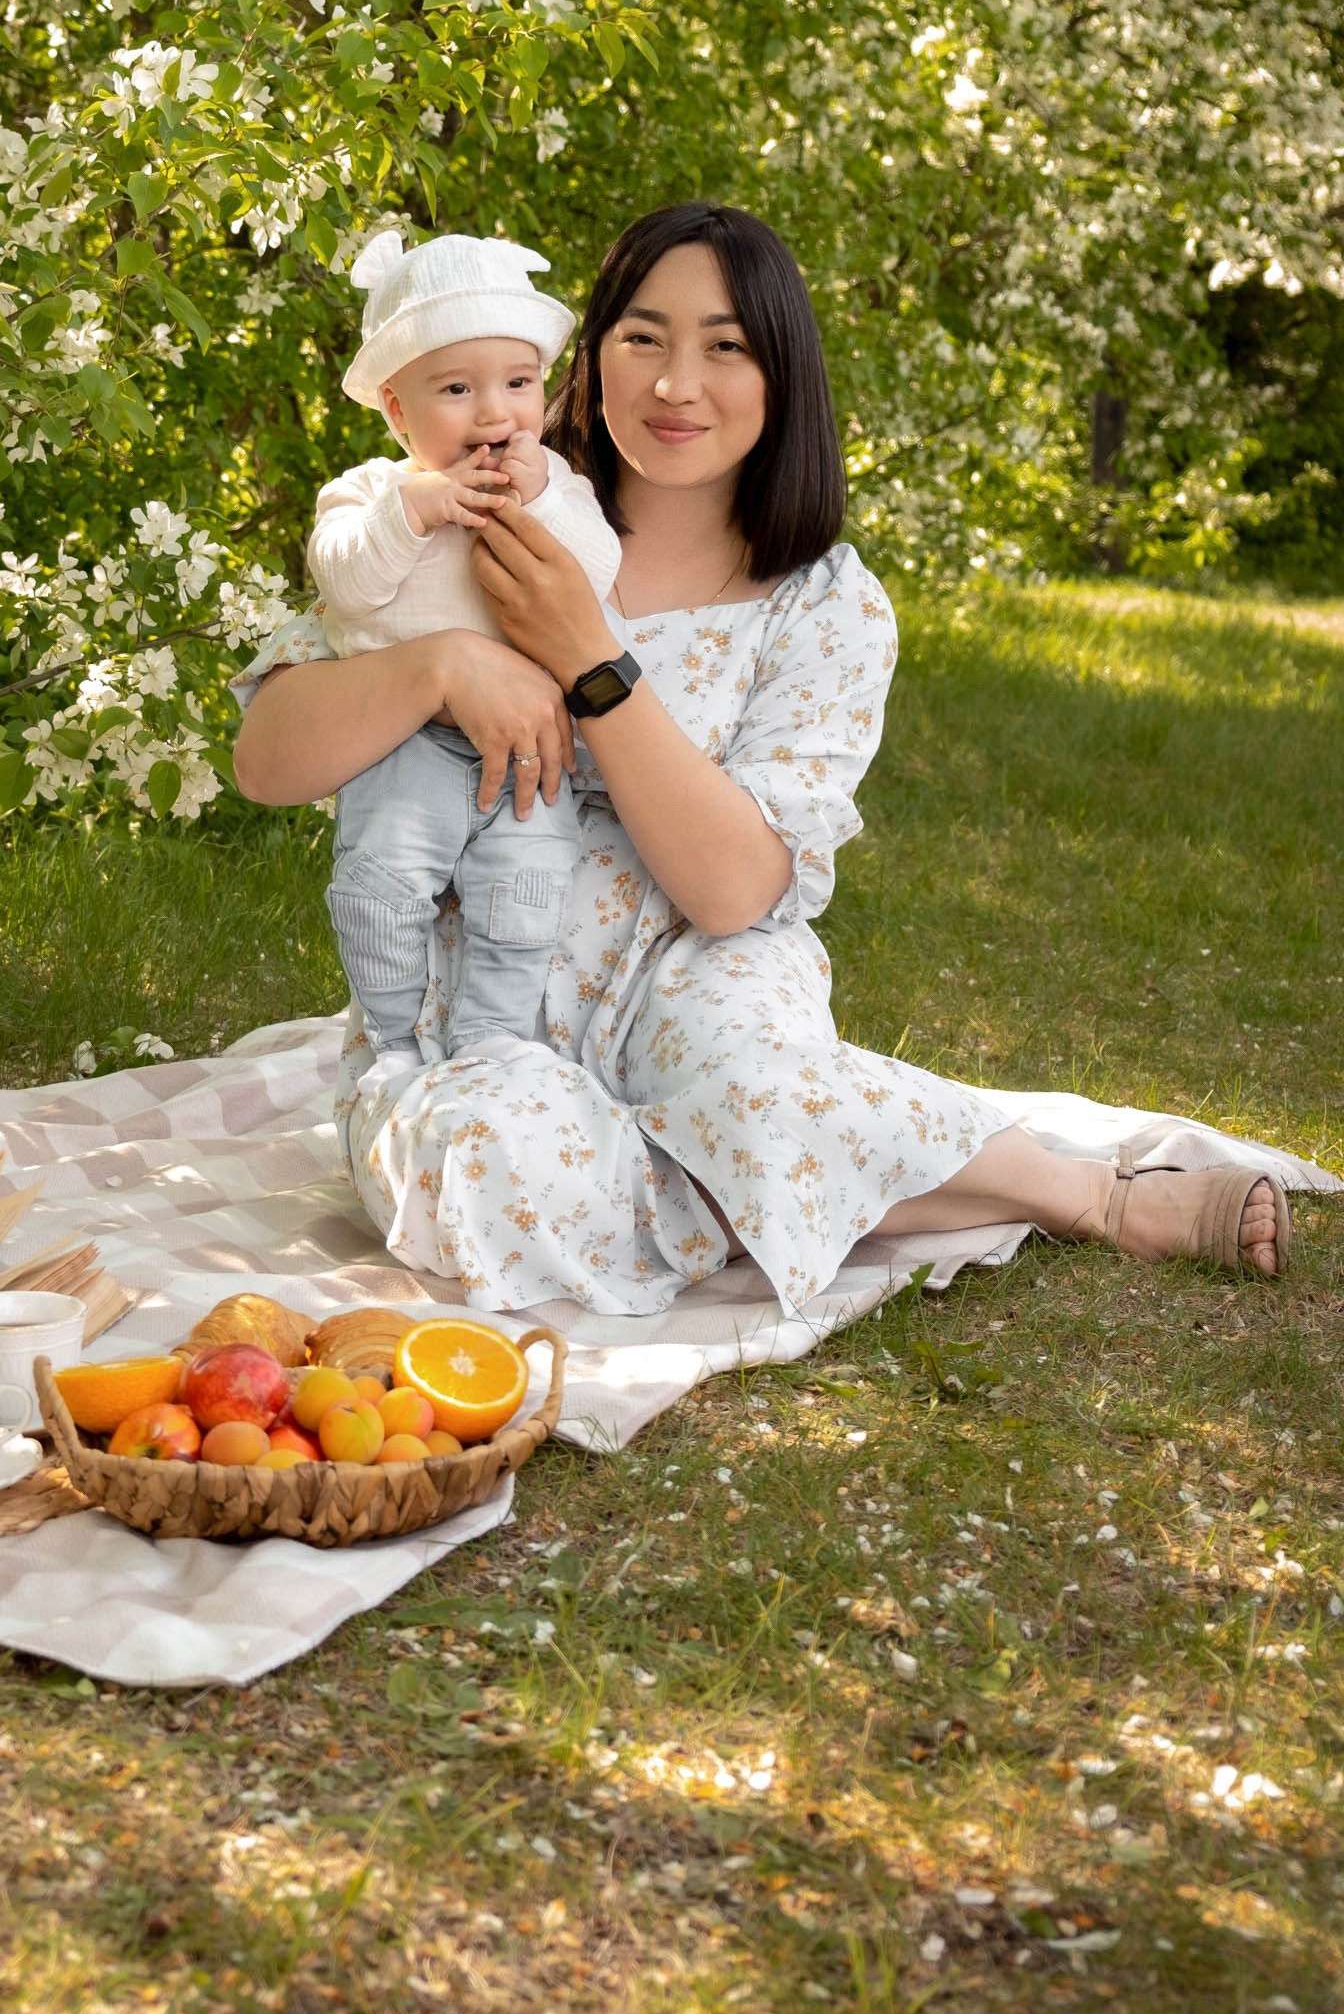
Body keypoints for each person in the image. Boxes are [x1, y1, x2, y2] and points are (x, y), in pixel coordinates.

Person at [234, 201, 1289, 1316]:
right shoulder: (454, 515)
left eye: (724, 346)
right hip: (484, 993)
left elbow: (735, 891)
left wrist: (587, 657)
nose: (675, 384)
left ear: (779, 374)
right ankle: (813, 1179)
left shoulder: (825, 606)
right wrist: (445, 664)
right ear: (585, 361)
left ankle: (1085, 1194)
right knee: (472, 1164)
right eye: (641, 338)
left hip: (702, 974)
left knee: (760, 1100)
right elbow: (267, 759)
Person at [307, 229, 620, 1061]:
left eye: (518, 383)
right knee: (379, 889)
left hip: (527, 748)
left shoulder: (558, 489)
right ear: (397, 409)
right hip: (407, 744)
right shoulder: (373, 492)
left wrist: (543, 501)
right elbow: (346, 583)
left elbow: (597, 574)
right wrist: (420, 507)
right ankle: (393, 1039)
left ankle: (491, 1040)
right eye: (456, 388)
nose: (494, 413)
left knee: (525, 894)